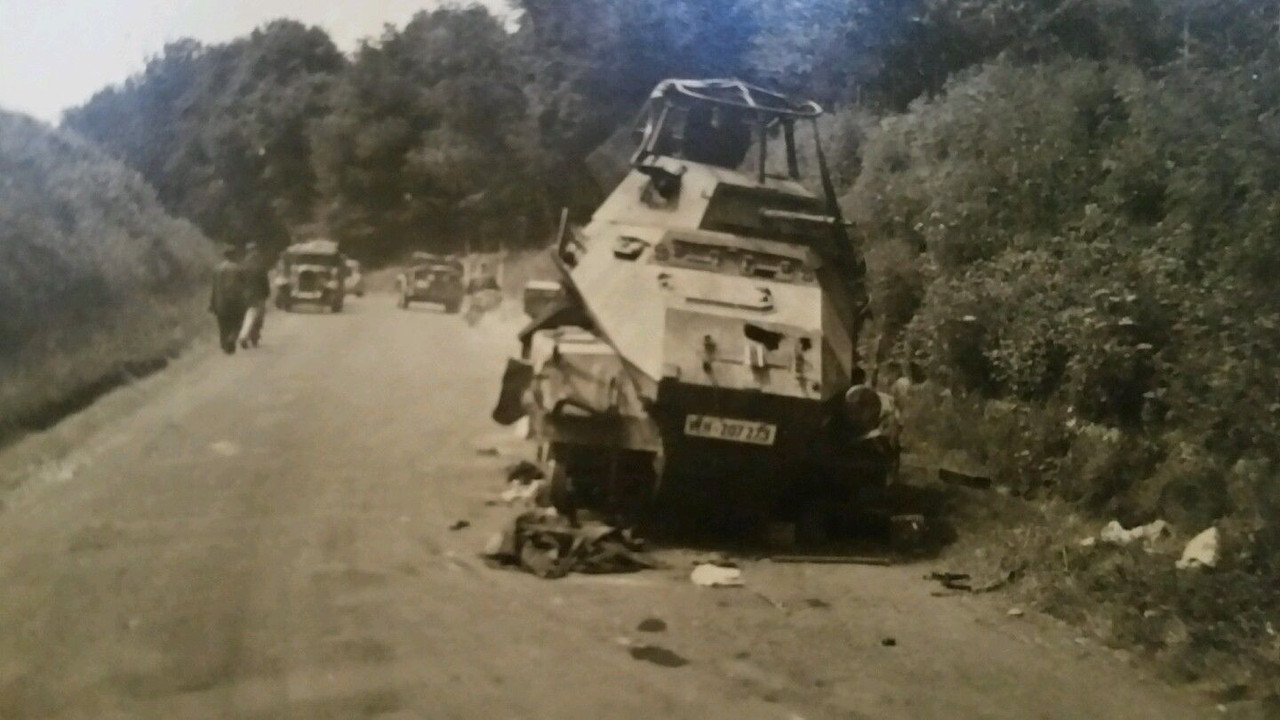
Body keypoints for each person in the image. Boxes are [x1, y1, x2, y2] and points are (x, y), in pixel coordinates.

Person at [210, 245, 247, 354]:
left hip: (219, 302)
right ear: (233, 255)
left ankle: (224, 344)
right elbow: (243, 286)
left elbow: (214, 288)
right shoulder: (237, 269)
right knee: (237, 322)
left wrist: (212, 303)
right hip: (234, 302)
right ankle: (231, 339)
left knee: (222, 324)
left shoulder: (216, 269)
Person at [238, 243, 270, 349]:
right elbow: (264, 281)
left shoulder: (243, 265)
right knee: (257, 317)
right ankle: (245, 336)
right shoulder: (259, 265)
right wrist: (267, 293)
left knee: (249, 315)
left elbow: (239, 281)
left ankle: (252, 336)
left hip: (244, 295)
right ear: (255, 251)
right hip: (257, 295)